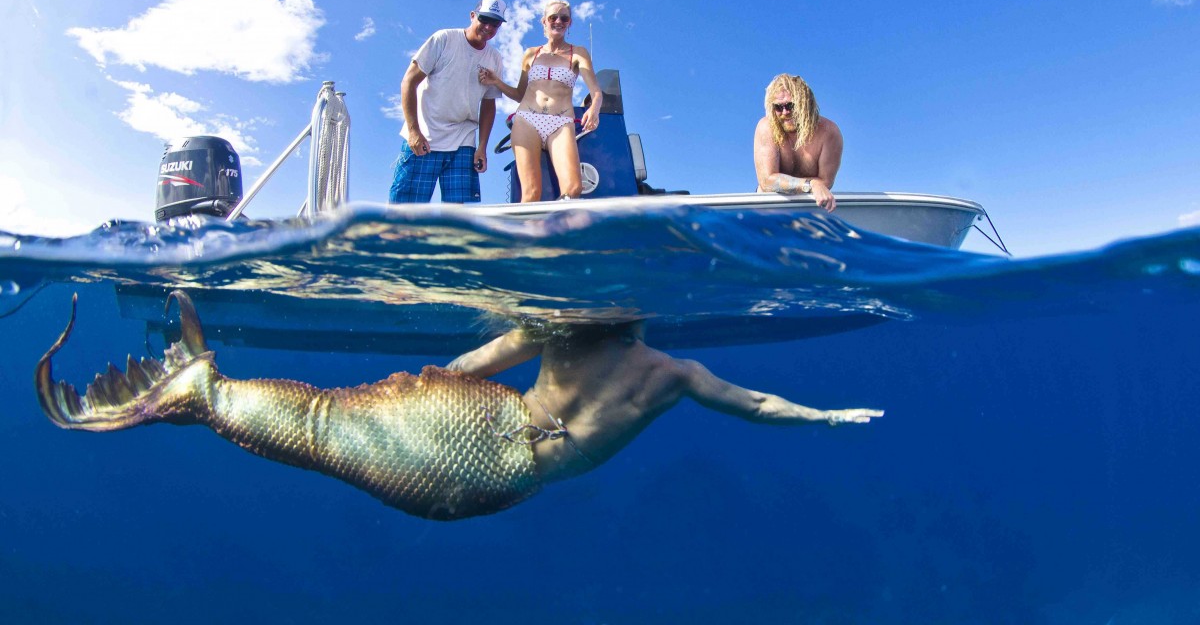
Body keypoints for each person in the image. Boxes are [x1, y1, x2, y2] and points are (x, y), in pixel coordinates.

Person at [36, 292, 882, 521]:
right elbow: (757, 402)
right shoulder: (668, 370)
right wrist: (826, 420)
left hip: (491, 446)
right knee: (327, 427)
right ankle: (198, 388)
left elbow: (477, 358)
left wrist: (826, 417)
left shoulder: (571, 329)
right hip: (504, 459)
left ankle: (200, 388)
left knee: (329, 425)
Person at [479, 0, 604, 201]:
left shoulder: (578, 53)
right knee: (531, 193)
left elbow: (596, 91)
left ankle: (559, 229)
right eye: (553, 17)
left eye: (564, 18)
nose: (558, 21)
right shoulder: (531, 54)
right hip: (527, 119)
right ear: (544, 21)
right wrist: (496, 81)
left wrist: (595, 108)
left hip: (561, 122)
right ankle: (527, 231)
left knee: (573, 189)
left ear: (569, 23)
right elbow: (520, 94)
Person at [389, 0, 508, 204]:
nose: (488, 27)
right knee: (405, 213)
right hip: (425, 137)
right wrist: (413, 131)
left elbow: (489, 104)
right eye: (484, 19)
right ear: (473, 16)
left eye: (495, 23)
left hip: (464, 140)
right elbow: (408, 81)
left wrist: (482, 147)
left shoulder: (495, 58)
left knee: (459, 216)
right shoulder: (443, 39)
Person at [753, 74, 844, 212]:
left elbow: (826, 182)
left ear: (807, 104)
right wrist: (811, 184)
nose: (785, 112)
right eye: (778, 107)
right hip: (769, 210)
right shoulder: (766, 127)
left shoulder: (829, 132)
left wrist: (815, 185)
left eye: (791, 105)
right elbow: (767, 181)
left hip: (810, 209)